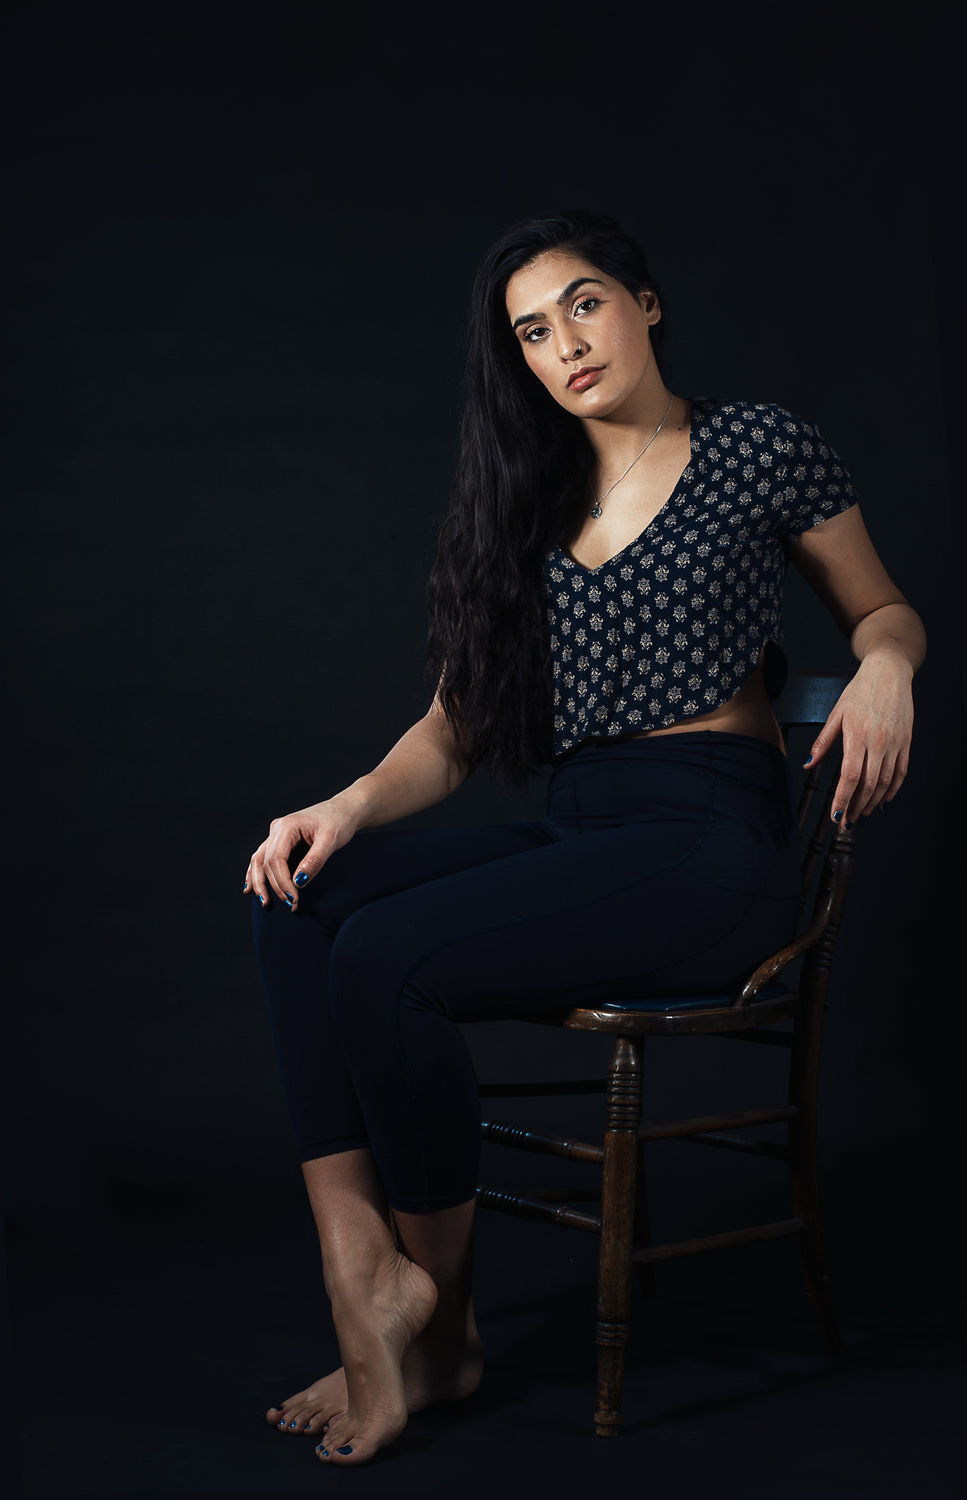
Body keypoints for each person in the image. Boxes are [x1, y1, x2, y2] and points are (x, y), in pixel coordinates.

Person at [244, 209, 925, 1467]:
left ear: (646, 304)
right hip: (582, 833)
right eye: (532, 331)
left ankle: (434, 1320)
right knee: (302, 897)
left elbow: (880, 605)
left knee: (385, 959)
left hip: (713, 851)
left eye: (585, 304)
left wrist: (886, 669)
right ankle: (361, 1267)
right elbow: (452, 732)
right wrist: (340, 804)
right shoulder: (526, 499)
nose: (565, 343)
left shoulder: (755, 446)